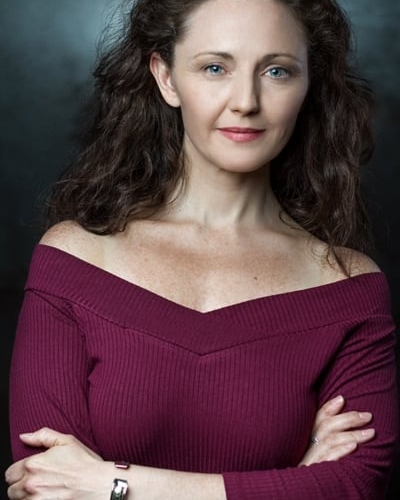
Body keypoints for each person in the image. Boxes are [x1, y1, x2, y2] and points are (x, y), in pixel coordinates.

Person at [5, 0, 398, 499]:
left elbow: (353, 485)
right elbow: (47, 485)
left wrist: (115, 484)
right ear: (166, 77)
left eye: (277, 71)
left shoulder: (348, 287)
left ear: (308, 84)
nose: (246, 101)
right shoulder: (74, 261)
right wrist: (292, 481)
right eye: (215, 68)